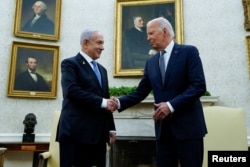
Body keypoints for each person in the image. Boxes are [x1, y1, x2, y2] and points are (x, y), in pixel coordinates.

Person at [114, 17, 207, 167]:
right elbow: (141, 92)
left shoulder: (188, 52)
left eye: (151, 33)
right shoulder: (151, 62)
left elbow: (198, 86)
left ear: (164, 31)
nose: (147, 38)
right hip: (163, 131)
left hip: (188, 129)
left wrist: (170, 106)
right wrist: (118, 102)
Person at [56, 29, 117, 167]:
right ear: (85, 43)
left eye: (103, 43)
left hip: (98, 136)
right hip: (75, 134)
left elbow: (106, 99)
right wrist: (102, 102)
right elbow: (70, 91)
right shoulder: (70, 64)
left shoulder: (102, 70)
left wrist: (111, 128)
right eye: (99, 43)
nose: (103, 47)